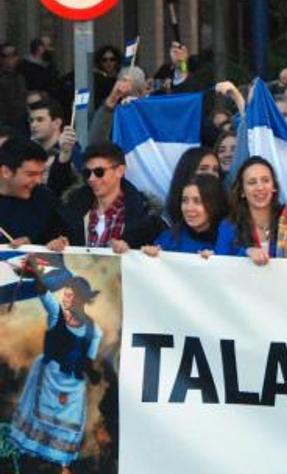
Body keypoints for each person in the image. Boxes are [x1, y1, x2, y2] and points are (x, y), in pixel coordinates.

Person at [6, 267, 102, 471]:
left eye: (69, 295)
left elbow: (88, 363)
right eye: (65, 294)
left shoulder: (94, 331)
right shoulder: (55, 313)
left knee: (65, 429)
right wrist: (36, 275)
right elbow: (43, 292)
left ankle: (58, 466)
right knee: (38, 425)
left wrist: (93, 374)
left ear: (80, 299)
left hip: (73, 387)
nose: (65, 298)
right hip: (48, 378)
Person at [59, 143, 165, 253]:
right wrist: (58, 244)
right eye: (87, 173)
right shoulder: (73, 207)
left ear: (120, 171)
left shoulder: (146, 217)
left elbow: (160, 256)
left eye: (99, 172)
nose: (91, 178)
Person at [147, 174, 237, 256]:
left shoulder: (233, 238)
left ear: (215, 204)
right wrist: (148, 257)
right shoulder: (169, 239)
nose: (189, 208)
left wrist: (218, 260)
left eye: (197, 201)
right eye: (185, 200)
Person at [0, 137, 65, 246]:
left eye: (41, 174)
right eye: (31, 174)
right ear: (6, 172)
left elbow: (59, 241)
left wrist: (36, 247)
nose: (39, 181)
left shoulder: (45, 200)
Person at [225, 156, 283, 265]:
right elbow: (220, 264)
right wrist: (247, 253)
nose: (260, 187)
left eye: (265, 180)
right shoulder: (229, 226)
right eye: (252, 182)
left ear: (274, 186)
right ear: (242, 191)